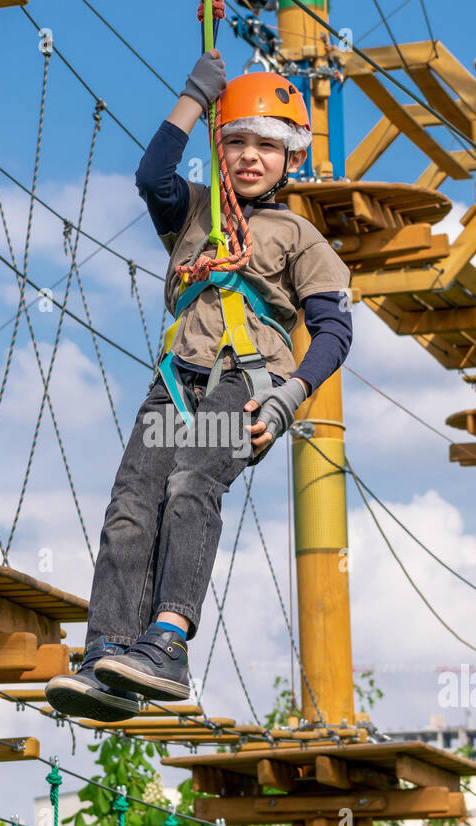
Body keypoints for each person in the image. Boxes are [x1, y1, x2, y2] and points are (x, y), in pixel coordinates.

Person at [44, 40, 353, 722]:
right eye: (235, 141)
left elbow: (333, 332)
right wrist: (194, 98)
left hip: (245, 381)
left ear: (291, 158)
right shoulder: (196, 212)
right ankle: (109, 650)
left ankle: (168, 641)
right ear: (218, 147)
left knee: (191, 483)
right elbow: (152, 174)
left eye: (267, 147)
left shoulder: (299, 238)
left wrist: (288, 396)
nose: (249, 157)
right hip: (175, 383)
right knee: (131, 504)